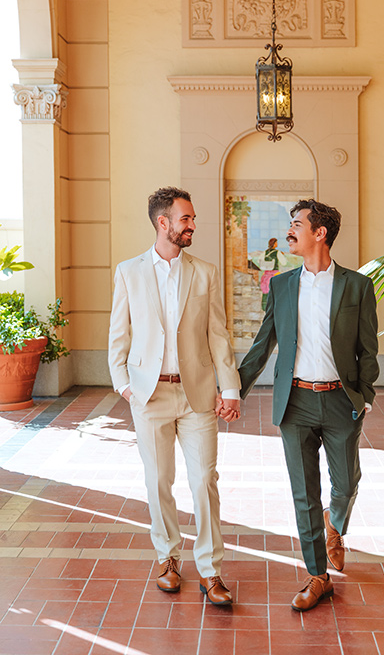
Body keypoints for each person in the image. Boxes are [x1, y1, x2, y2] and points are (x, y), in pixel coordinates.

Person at [231, 199, 379, 612]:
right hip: (294, 402)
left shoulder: (356, 286)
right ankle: (317, 575)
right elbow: (263, 345)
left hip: (340, 401)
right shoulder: (281, 285)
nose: (290, 230)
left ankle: (336, 524)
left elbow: (369, 349)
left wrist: (364, 397)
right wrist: (234, 391)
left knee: (346, 483)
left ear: (321, 233)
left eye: (297, 224)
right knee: (304, 493)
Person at [108, 186, 241, 606]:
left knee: (204, 480)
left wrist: (230, 388)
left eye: (192, 219)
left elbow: (218, 335)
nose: (192, 226)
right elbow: (119, 334)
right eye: (186, 219)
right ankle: (167, 558)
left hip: (196, 393)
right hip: (149, 396)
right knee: (158, 481)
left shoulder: (204, 272)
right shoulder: (129, 272)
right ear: (163, 222)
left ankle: (210, 570)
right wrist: (124, 384)